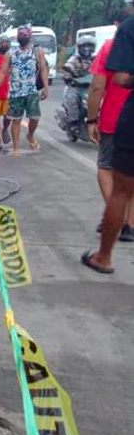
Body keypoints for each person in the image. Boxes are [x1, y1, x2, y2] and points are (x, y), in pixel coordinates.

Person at [82, 14, 134, 273]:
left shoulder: (121, 37)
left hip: (119, 119)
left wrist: (91, 119)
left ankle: (104, 256)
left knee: (118, 186)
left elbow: (105, 83)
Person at [0, 26, 49, 157]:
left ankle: (30, 135)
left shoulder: (37, 51)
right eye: (20, 35)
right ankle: (15, 148)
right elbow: (2, 73)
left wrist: (46, 87)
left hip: (31, 91)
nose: (21, 37)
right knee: (16, 120)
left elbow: (43, 69)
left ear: (29, 36)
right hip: (16, 93)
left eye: (24, 35)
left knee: (34, 118)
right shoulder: (11, 54)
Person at [61, 35, 96, 130]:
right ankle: (73, 122)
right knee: (72, 98)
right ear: (79, 47)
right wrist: (67, 75)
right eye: (84, 46)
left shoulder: (95, 59)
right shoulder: (75, 59)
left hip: (92, 86)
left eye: (89, 46)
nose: (86, 48)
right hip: (76, 86)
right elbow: (67, 67)